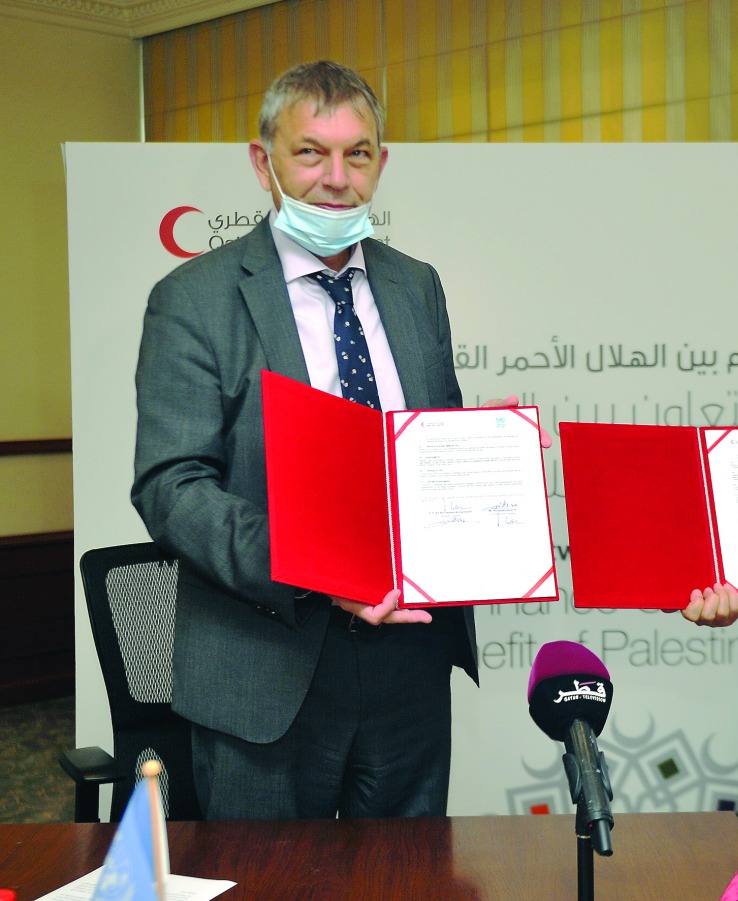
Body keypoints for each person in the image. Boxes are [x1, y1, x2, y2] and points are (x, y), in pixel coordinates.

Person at [132, 60, 484, 820]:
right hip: (265, 666)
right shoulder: (193, 299)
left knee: (408, 881)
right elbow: (171, 486)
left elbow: (430, 446)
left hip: (409, 665)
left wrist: (486, 471)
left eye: (357, 154)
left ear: (381, 165)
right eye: (310, 152)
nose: (335, 177)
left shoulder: (415, 284)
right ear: (264, 162)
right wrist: (319, 569)